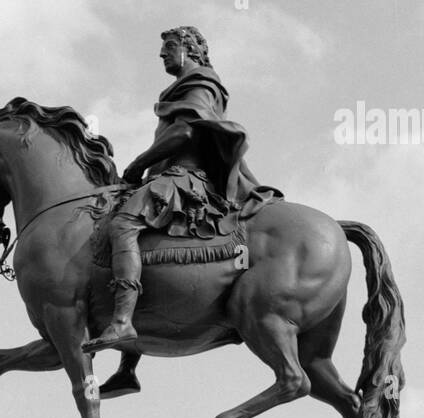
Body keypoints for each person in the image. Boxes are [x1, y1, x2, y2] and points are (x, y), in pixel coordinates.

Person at [85, 25, 279, 353]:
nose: (162, 54)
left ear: (188, 48)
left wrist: (136, 165)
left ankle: (121, 323)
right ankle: (128, 363)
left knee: (123, 224)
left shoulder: (200, 83)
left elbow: (183, 134)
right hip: (167, 175)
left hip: (186, 178)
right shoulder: (183, 88)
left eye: (169, 47)